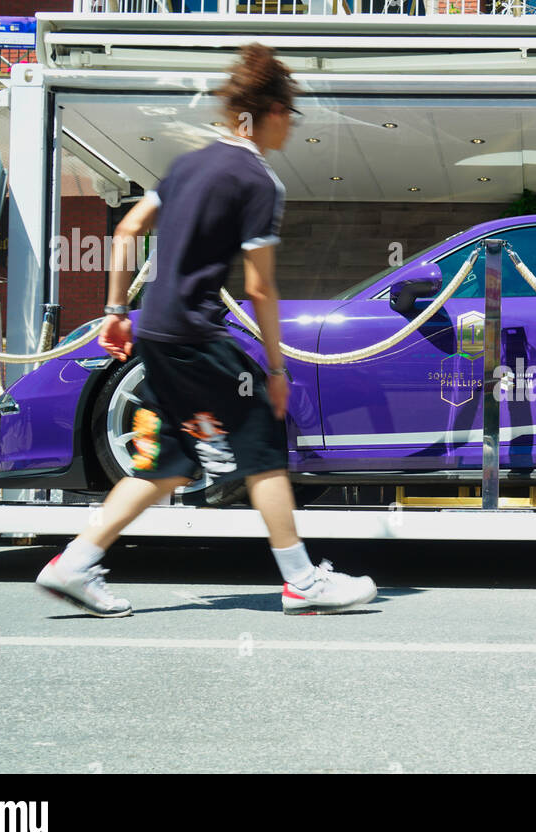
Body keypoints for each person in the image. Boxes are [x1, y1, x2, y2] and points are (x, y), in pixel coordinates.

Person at [36, 44, 376, 618]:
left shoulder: (186, 165)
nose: (290, 128)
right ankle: (301, 582)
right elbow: (261, 289)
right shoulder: (258, 182)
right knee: (264, 445)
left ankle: (74, 562)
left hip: (157, 335)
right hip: (197, 337)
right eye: (288, 115)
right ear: (268, 111)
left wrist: (116, 311)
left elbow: (126, 230)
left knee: (168, 463)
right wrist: (275, 368)